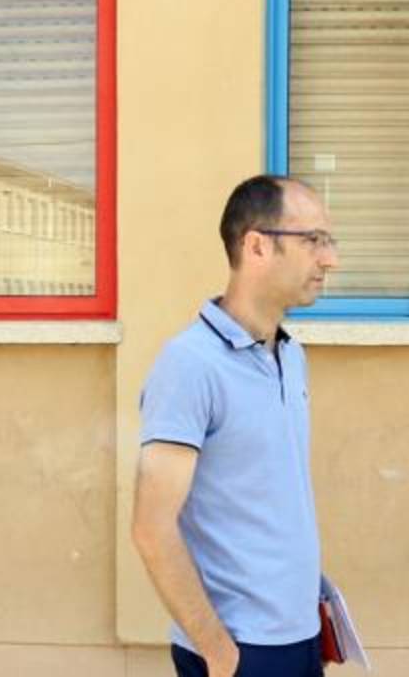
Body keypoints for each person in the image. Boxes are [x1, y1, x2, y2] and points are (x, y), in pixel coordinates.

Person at [132, 175, 339, 677]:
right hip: (241, 648)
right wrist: (218, 651)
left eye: (329, 241)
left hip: (298, 635)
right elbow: (152, 528)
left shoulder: (290, 355)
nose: (330, 258)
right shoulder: (190, 365)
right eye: (313, 240)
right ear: (256, 246)